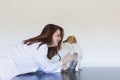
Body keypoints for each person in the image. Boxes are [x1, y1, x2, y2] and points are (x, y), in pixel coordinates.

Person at [0, 24, 77, 80]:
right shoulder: (41, 47)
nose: (60, 39)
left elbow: (41, 65)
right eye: (58, 35)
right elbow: (47, 68)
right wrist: (64, 61)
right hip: (4, 66)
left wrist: (59, 67)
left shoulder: (37, 43)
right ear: (50, 35)